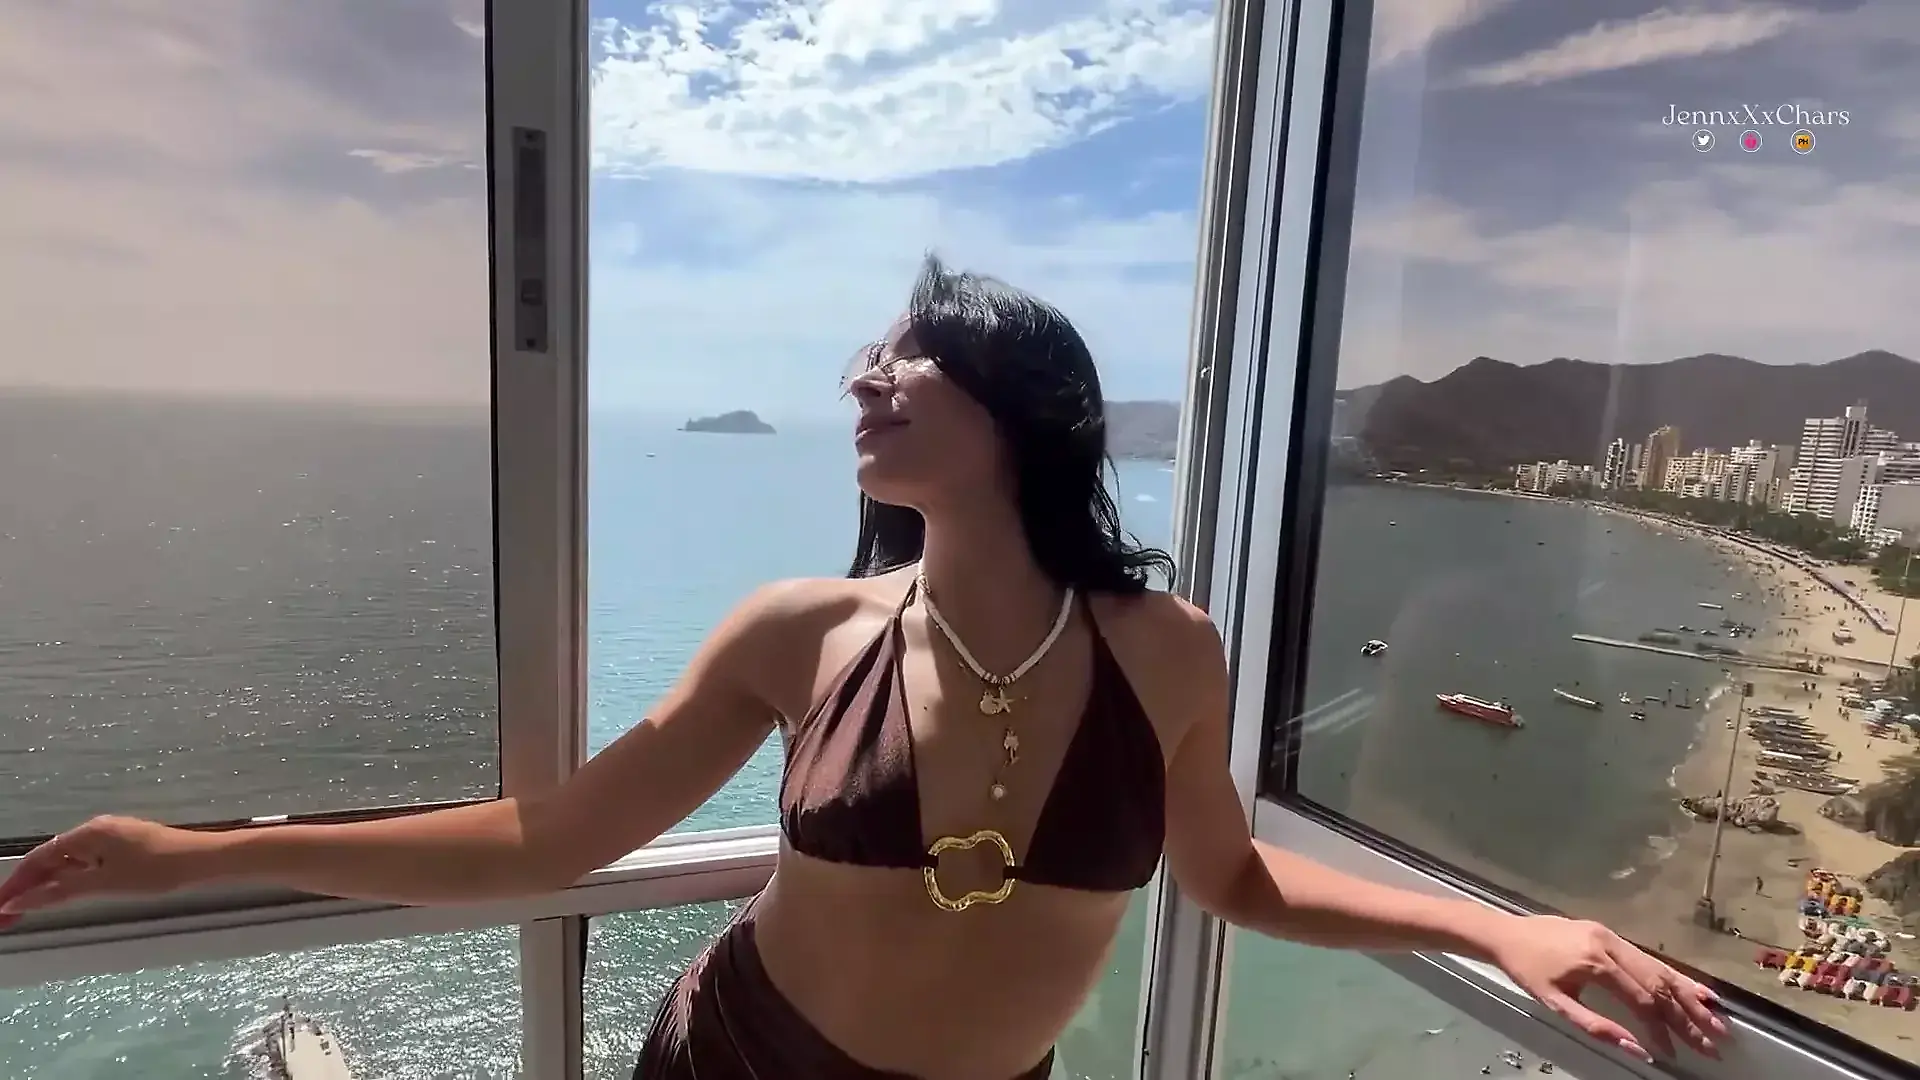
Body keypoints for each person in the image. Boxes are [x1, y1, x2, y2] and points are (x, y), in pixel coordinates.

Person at [0, 256, 1723, 1078]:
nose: (863, 381)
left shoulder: (1167, 649)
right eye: (865, 361)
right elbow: (547, 842)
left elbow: (1234, 877)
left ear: (1026, 410)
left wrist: (1502, 930)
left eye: (912, 359)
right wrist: (194, 856)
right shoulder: (801, 636)